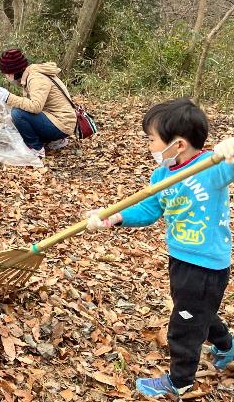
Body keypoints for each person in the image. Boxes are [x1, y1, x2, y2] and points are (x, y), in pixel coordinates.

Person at [86, 99, 234, 399]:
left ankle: (179, 381)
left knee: (184, 325)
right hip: (180, 258)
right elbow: (150, 209)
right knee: (197, 310)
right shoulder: (162, 176)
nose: (149, 147)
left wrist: (230, 147)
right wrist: (115, 218)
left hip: (207, 266)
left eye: (152, 140)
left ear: (178, 144)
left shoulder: (213, 168)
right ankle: (227, 347)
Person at [0, 48, 75, 158]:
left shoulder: (36, 78)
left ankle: (36, 148)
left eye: (6, 74)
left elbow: (35, 107)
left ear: (12, 73)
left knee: (18, 113)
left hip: (62, 123)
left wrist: (9, 97)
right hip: (59, 120)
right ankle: (57, 140)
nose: (6, 77)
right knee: (16, 119)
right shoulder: (30, 75)